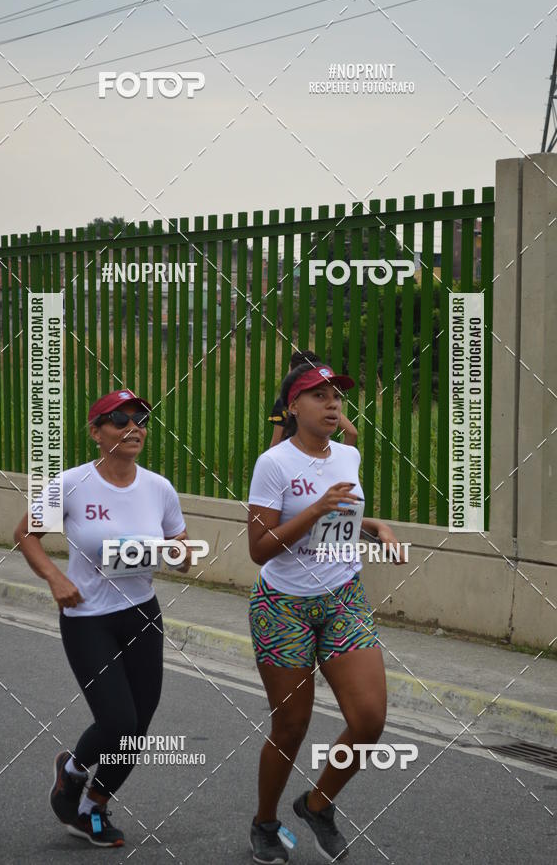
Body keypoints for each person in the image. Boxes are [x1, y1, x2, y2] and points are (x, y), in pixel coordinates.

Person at [13, 390, 191, 848]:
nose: (133, 427)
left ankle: (93, 803)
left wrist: (181, 554)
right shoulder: (72, 483)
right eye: (118, 420)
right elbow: (26, 534)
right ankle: (71, 770)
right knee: (117, 722)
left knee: (139, 729)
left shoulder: (158, 487)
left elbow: (181, 549)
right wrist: (54, 578)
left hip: (142, 615)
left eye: (140, 419)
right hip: (88, 616)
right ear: (96, 432)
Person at [247, 363, 405, 864]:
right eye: (318, 395)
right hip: (283, 607)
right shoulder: (273, 463)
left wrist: (374, 527)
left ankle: (318, 805)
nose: (332, 403)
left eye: (336, 394)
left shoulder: (349, 455)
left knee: (369, 721)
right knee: (291, 726)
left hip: (343, 597)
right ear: (292, 407)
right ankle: (265, 823)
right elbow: (259, 547)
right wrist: (314, 509)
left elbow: (343, 518)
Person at [269, 350, 357, 448]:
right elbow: (351, 433)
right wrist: (341, 460)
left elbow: (275, 445)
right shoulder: (326, 407)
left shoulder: (284, 403)